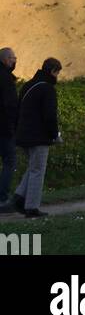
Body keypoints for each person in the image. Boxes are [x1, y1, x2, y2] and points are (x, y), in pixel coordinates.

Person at [13, 58, 62, 218]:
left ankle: (19, 197)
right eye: (57, 72)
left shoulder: (29, 85)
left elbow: (18, 110)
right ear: (53, 71)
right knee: (38, 171)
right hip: (39, 136)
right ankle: (32, 207)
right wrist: (54, 135)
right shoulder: (47, 89)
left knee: (33, 167)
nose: (58, 76)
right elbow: (49, 116)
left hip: (23, 134)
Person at [0, 47, 18, 210]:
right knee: (9, 161)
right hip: (4, 129)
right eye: (13, 58)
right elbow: (10, 106)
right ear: (5, 60)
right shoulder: (5, 78)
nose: (15, 61)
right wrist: (13, 127)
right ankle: (2, 199)